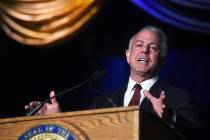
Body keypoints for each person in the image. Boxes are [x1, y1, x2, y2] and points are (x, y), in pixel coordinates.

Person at [25, 25, 201, 140]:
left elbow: (196, 134)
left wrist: (170, 117)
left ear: (162, 61)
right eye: (139, 45)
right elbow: (83, 135)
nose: (145, 50)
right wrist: (59, 120)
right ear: (127, 55)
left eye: (153, 48)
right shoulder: (103, 102)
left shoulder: (177, 96)